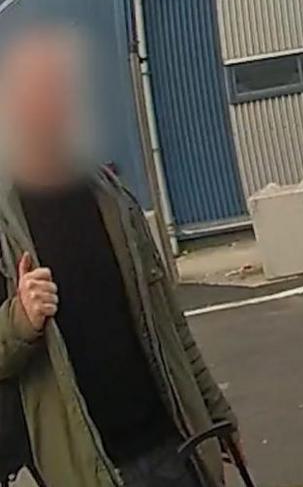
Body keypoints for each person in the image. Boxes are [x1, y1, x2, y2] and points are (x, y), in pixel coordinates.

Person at [0, 27, 238, 486]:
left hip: (174, 448)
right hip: (88, 467)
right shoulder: (6, 224)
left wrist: (216, 417)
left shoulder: (111, 198)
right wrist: (20, 320)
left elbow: (171, 324)